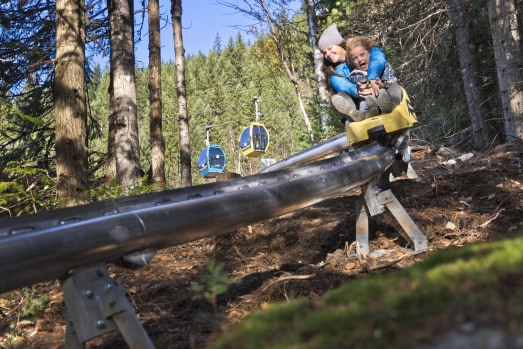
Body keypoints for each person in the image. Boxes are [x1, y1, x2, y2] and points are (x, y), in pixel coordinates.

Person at [318, 23, 386, 122]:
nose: (327, 54)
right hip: (359, 99)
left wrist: (372, 77)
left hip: (379, 88)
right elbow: (342, 85)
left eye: (330, 48)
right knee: (341, 95)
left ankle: (379, 108)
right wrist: (358, 90)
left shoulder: (361, 48)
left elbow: (377, 57)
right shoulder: (334, 73)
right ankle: (354, 114)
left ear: (340, 44)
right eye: (324, 52)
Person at [344, 36, 403, 119]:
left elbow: (391, 79)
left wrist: (382, 84)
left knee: (395, 87)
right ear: (352, 62)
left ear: (369, 54)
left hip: (387, 94)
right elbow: (359, 86)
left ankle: (391, 107)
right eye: (355, 58)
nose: (360, 59)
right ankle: (368, 113)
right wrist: (364, 87)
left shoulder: (383, 67)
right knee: (364, 100)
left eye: (362, 55)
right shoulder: (355, 74)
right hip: (371, 99)